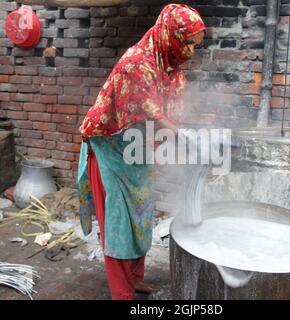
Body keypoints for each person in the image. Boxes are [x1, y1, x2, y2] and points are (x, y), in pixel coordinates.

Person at [77, 4, 206, 300]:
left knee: (142, 211)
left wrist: (183, 135)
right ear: (170, 36)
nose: (191, 50)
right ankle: (122, 292)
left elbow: (169, 111)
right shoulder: (138, 63)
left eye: (195, 45)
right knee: (120, 219)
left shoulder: (169, 64)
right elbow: (151, 112)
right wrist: (184, 137)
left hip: (135, 146)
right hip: (110, 144)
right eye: (187, 42)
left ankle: (134, 278)